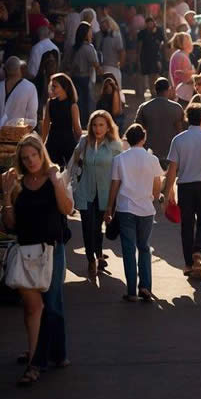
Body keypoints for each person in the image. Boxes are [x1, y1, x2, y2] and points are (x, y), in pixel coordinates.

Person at [2, 134, 74, 386]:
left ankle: (47, 357)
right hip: (25, 250)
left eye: (34, 155)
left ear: (42, 153)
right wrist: (6, 194)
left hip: (51, 249)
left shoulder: (54, 177)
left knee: (51, 304)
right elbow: (9, 224)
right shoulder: (19, 183)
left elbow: (67, 209)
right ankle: (39, 352)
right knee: (33, 308)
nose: (31, 161)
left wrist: (56, 182)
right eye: (26, 158)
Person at [105, 124, 164, 302]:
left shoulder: (119, 159)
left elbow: (114, 185)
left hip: (125, 208)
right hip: (146, 209)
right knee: (144, 247)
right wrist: (153, 197)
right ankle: (145, 286)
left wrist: (109, 208)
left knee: (128, 249)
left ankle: (131, 290)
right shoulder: (152, 159)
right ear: (143, 138)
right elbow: (156, 188)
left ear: (127, 139)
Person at [165, 104, 201, 279]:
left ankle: (188, 264)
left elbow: (172, 170)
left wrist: (168, 192)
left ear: (187, 118)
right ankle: (198, 252)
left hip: (185, 187)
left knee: (187, 225)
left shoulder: (178, 140)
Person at [70, 110, 122, 276]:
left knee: (98, 227)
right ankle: (91, 259)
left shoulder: (114, 145)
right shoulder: (85, 141)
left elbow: (121, 170)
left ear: (108, 127)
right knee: (87, 227)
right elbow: (74, 162)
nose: (97, 128)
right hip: (85, 190)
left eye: (101, 125)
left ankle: (99, 254)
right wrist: (69, 182)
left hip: (106, 193)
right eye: (94, 125)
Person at [133, 77, 185, 169]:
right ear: (168, 89)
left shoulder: (144, 107)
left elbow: (136, 131)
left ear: (154, 89)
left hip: (149, 153)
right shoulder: (177, 108)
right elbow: (181, 133)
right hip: (171, 155)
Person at [42, 73, 81, 167]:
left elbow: (77, 128)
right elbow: (46, 124)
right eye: (52, 86)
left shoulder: (72, 105)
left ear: (64, 87)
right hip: (52, 141)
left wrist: (81, 146)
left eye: (55, 86)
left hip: (67, 141)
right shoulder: (50, 103)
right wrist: (42, 144)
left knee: (71, 171)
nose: (52, 89)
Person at [0, 56, 39, 129]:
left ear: (5, 70)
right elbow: (32, 119)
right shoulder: (30, 88)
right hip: (19, 135)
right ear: (19, 69)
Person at [137, 17, 165, 96]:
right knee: (148, 74)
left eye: (151, 22)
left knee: (155, 74)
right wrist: (138, 58)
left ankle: (155, 91)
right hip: (145, 57)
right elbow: (139, 45)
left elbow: (162, 42)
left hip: (156, 56)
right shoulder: (142, 33)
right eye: (148, 23)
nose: (150, 24)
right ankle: (150, 91)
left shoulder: (158, 31)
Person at [169, 32, 195, 105]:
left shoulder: (179, 54)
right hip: (183, 95)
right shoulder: (181, 56)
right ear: (180, 44)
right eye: (187, 42)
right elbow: (186, 79)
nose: (190, 44)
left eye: (190, 41)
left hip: (181, 94)